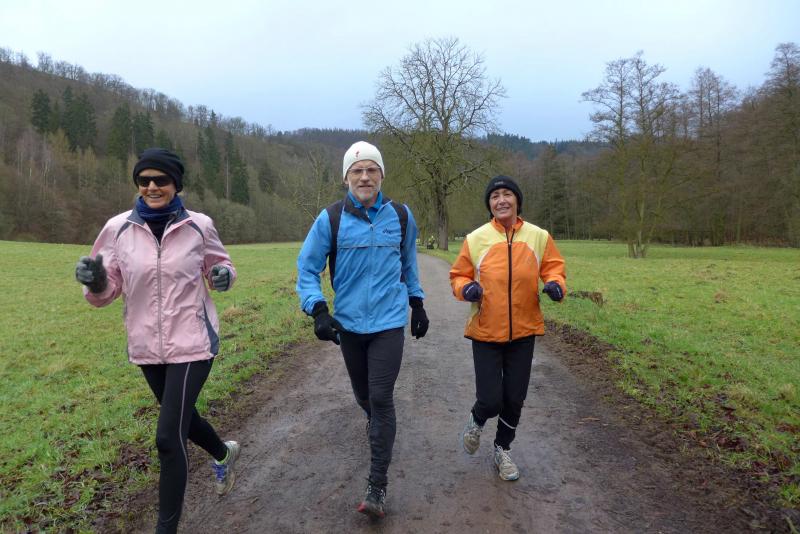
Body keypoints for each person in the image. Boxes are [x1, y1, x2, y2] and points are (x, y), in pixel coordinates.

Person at [75, 148, 240, 534]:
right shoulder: (117, 228)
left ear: (176, 185)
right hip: (147, 346)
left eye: (160, 180)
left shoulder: (199, 225)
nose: (151, 186)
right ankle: (223, 453)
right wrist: (95, 282)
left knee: (168, 437)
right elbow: (107, 289)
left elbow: (221, 265)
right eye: (144, 180)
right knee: (183, 418)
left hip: (194, 341)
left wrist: (222, 276)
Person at [296, 141, 429, 519]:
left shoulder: (401, 216)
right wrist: (318, 309)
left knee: (381, 396)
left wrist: (417, 303)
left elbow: (409, 262)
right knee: (364, 396)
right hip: (350, 325)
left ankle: (377, 485)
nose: (365, 177)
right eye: (357, 171)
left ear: (382, 175)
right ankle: (375, 420)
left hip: (389, 323)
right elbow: (307, 268)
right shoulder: (331, 219)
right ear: (346, 178)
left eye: (372, 170)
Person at [449, 175, 566, 481]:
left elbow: (553, 268)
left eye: (507, 194)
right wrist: (467, 289)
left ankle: (502, 449)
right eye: (495, 196)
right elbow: (459, 275)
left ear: (517, 200)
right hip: (486, 330)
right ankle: (477, 420)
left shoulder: (538, 236)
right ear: (489, 204)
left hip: (524, 331)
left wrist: (555, 284)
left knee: (514, 398)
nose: (501, 200)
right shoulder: (476, 238)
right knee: (491, 399)